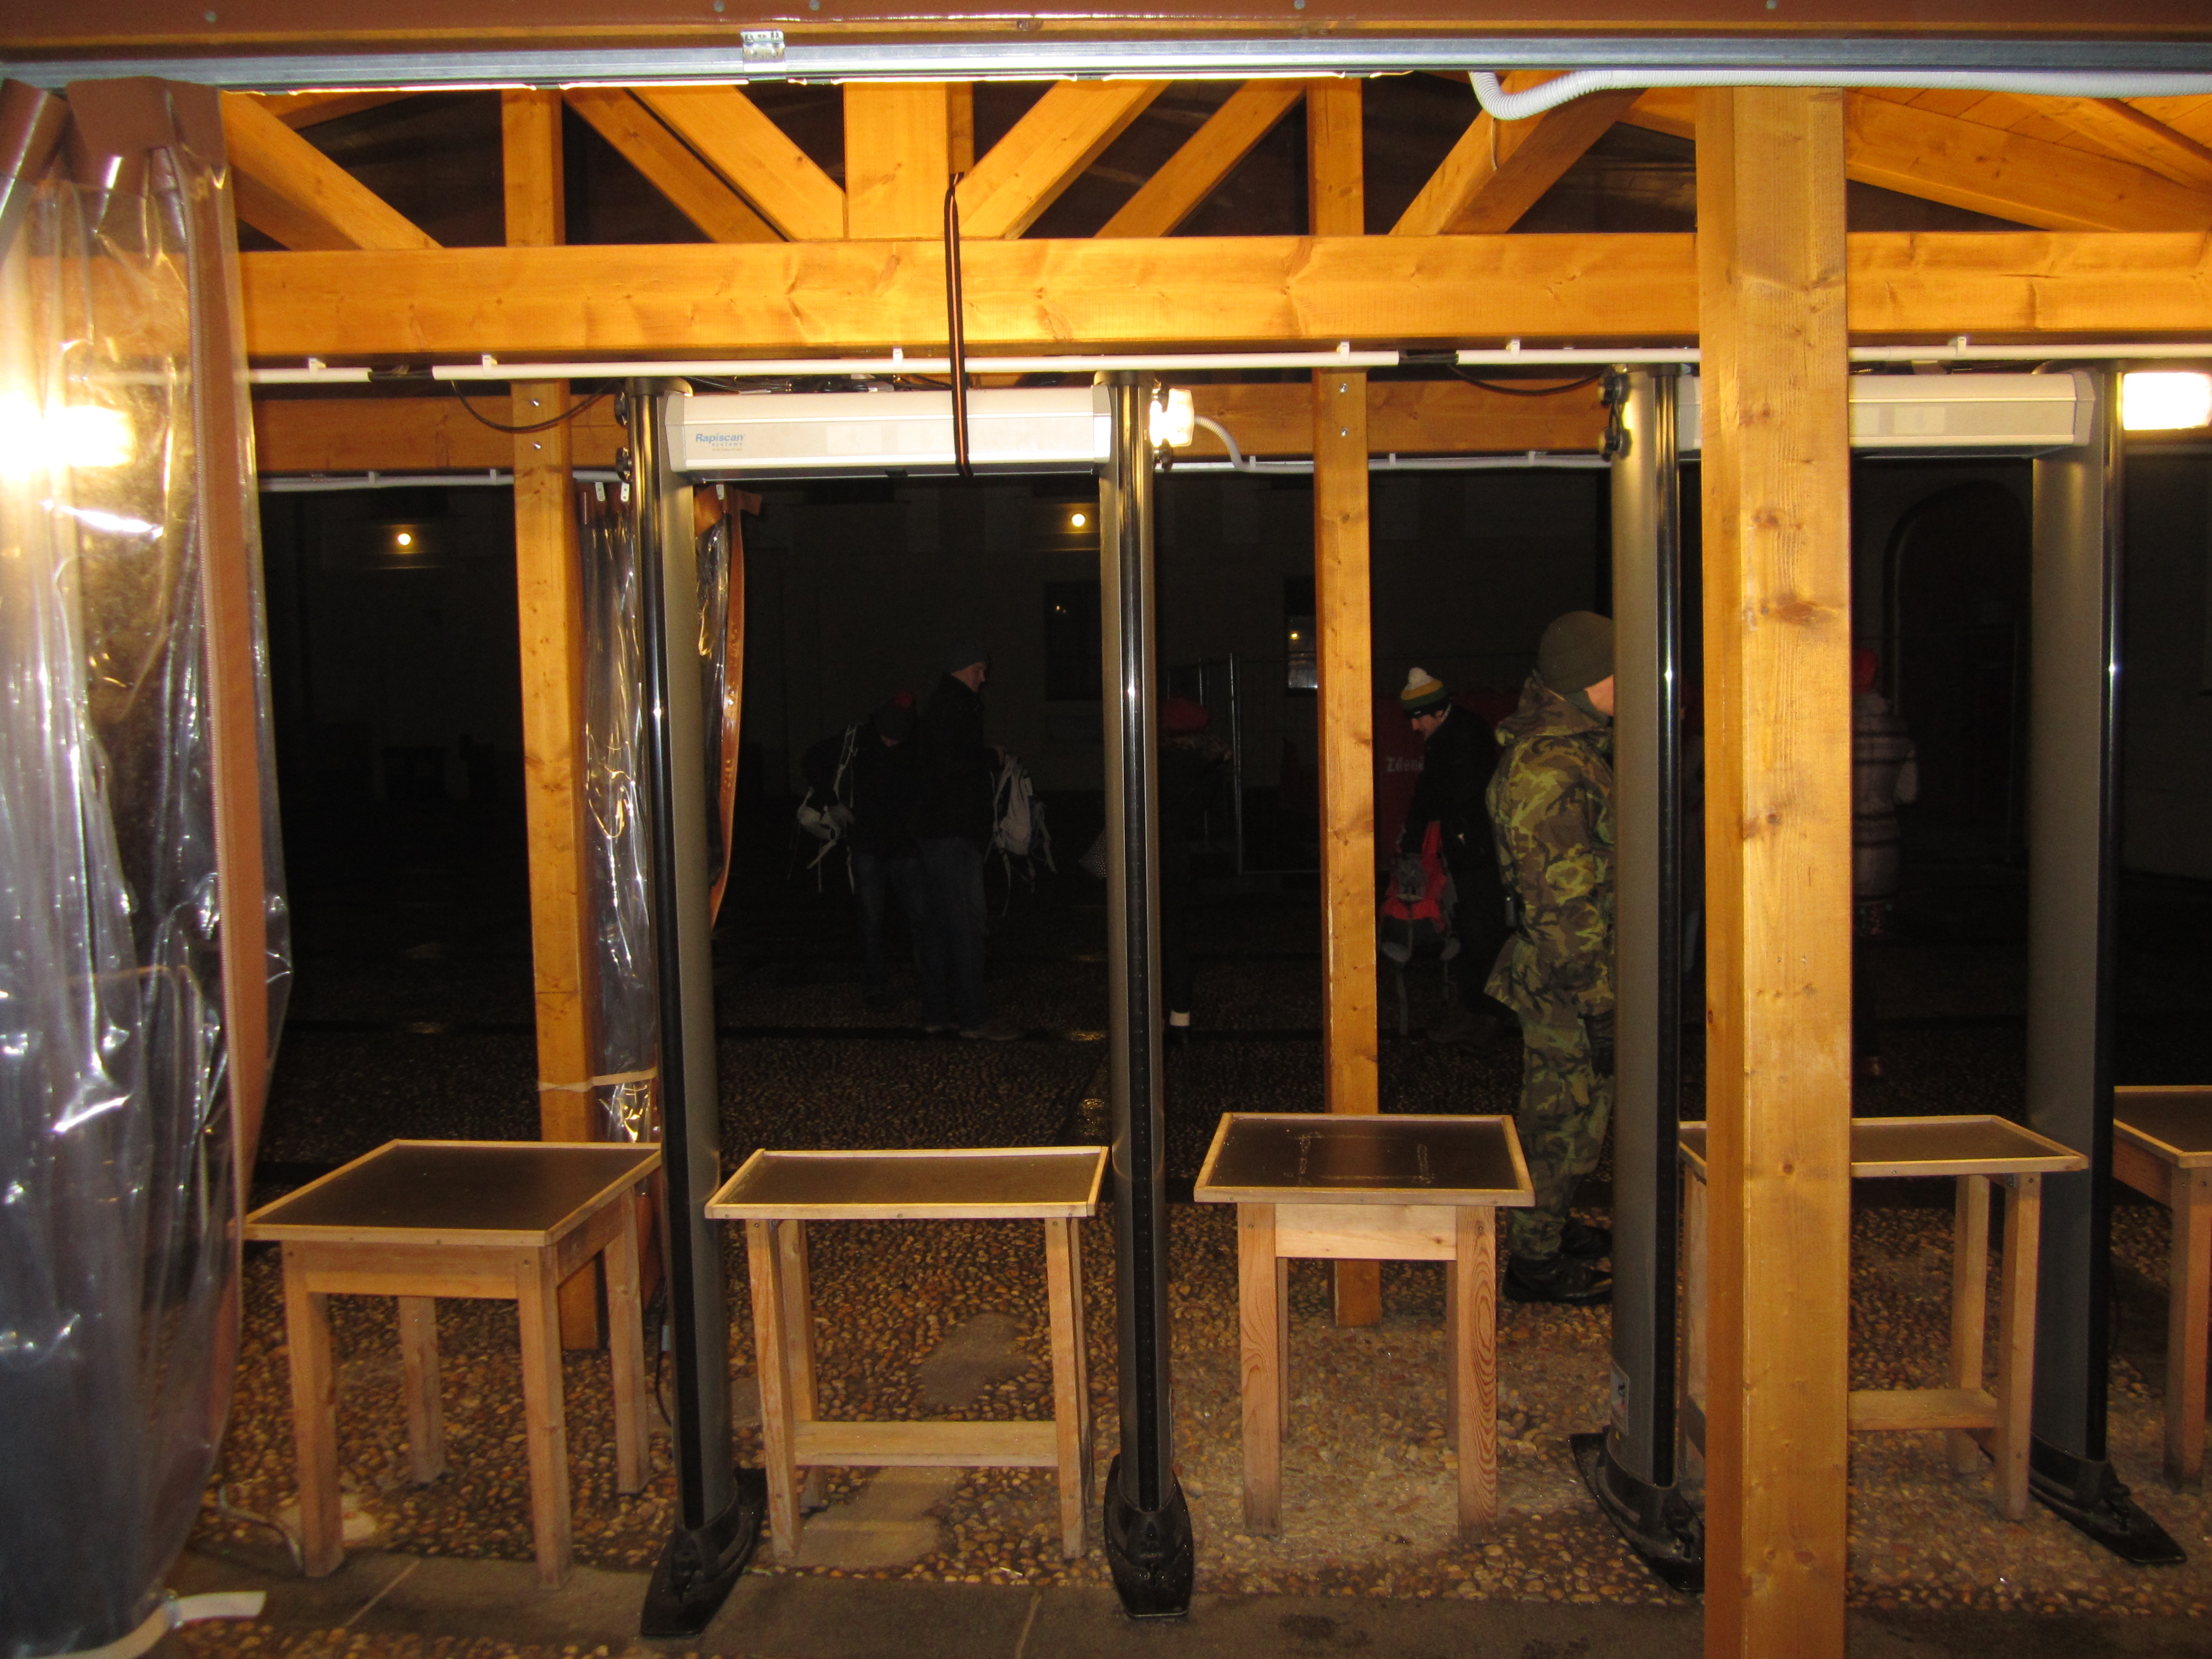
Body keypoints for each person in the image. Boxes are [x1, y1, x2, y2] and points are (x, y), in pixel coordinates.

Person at [1486, 611, 1618, 1307]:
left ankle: (1552, 1223)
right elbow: (1560, 906)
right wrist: (1599, 1002)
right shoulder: (1550, 767)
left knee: (1576, 1112)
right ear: (1587, 681)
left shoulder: (1573, 749)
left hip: (1574, 972)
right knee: (1563, 1119)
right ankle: (1533, 1262)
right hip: (1568, 979)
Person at [1396, 667, 1512, 1046]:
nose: (1414, 726)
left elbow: (1441, 795)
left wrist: (1416, 839)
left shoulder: (1464, 738)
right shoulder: (1448, 735)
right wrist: (1413, 842)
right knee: (1467, 933)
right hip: (1465, 853)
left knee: (1483, 934)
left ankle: (1489, 1017)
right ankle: (1473, 1009)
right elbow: (1428, 794)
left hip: (1479, 854)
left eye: (1418, 717)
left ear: (1437, 710)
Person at [914, 643, 1020, 1040]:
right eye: (979, 669)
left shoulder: (943, 704)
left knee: (940, 927)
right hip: (953, 832)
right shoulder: (954, 706)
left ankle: (936, 1012)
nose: (984, 678)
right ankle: (975, 1018)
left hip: (938, 831)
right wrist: (991, 758)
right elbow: (951, 765)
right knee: (967, 927)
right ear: (962, 668)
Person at [1851, 646, 1918, 1081]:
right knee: (1858, 954)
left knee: (1841, 956)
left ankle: (1862, 1045)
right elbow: (1908, 795)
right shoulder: (1898, 730)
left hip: (1840, 850)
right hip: (1882, 852)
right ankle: (1868, 1048)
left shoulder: (1835, 728)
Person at [848, 695, 927, 1014]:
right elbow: (815, 761)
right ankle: (876, 985)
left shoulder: (916, 743)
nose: (892, 743)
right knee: (871, 921)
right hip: (868, 845)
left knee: (921, 917)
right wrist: (832, 802)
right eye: (888, 736)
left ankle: (928, 979)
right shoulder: (859, 741)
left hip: (905, 846)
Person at [1157, 696, 1230, 1040]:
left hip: (1147, 853)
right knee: (1173, 935)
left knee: (1142, 936)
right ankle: (1181, 1017)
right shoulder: (1208, 765)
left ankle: (1148, 1011)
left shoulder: (1158, 763)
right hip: (1177, 855)